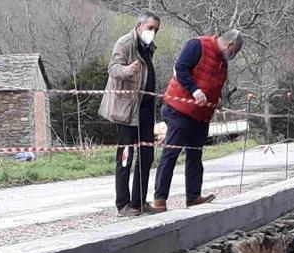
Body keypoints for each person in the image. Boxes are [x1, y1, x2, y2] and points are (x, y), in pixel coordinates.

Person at [151, 28, 243, 211]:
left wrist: (216, 100)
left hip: (201, 115)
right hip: (179, 109)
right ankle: (160, 198)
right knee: (172, 152)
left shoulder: (222, 63)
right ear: (229, 45)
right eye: (235, 51)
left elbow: (214, 85)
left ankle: (193, 196)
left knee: (195, 155)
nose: (234, 55)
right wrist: (194, 90)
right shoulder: (197, 45)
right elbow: (181, 68)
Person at [99, 12, 161, 217]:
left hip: (145, 110)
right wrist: (128, 70)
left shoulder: (148, 48)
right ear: (139, 26)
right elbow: (113, 68)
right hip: (127, 110)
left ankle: (139, 201)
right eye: (150, 28)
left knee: (146, 155)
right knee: (126, 156)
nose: (152, 32)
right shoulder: (125, 43)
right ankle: (122, 204)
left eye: (156, 29)